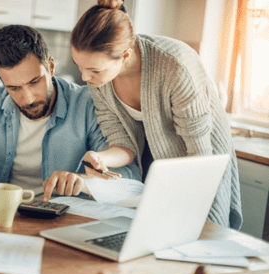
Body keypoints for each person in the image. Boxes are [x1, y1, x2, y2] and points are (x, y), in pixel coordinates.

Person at [68, 0, 242, 229]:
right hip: (160, 161)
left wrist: (163, 194)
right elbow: (123, 144)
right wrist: (103, 158)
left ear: (126, 55)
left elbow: (199, 156)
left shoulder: (175, 66)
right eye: (80, 67)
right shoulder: (100, 80)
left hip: (201, 157)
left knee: (200, 231)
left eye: (93, 70)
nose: (85, 78)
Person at [0, 24, 140, 200]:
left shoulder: (88, 104)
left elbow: (130, 178)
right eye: (14, 88)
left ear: (51, 67)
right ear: (2, 82)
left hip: (58, 211)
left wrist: (84, 181)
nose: (28, 98)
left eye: (35, 82)